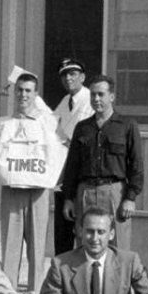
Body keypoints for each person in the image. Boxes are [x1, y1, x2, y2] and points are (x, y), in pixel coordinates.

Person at [0, 73, 61, 294]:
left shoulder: (47, 122)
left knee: (37, 247)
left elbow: (55, 152)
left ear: (36, 94)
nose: (23, 95)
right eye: (20, 90)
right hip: (13, 190)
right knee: (11, 247)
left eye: (28, 91)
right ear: (15, 93)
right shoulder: (5, 123)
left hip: (38, 190)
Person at [60, 75, 143, 249]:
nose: (96, 99)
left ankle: (115, 278)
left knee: (116, 246)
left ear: (111, 96)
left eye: (100, 94)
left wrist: (130, 198)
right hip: (86, 192)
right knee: (86, 244)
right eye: (92, 95)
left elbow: (136, 165)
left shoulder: (127, 126)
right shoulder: (82, 128)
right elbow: (72, 166)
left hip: (114, 192)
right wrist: (69, 197)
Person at [52, 58, 94, 252]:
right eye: (65, 75)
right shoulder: (64, 101)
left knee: (82, 229)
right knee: (63, 232)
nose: (68, 79)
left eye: (73, 74)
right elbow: (52, 126)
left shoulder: (89, 99)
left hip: (81, 172)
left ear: (82, 77)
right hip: (62, 173)